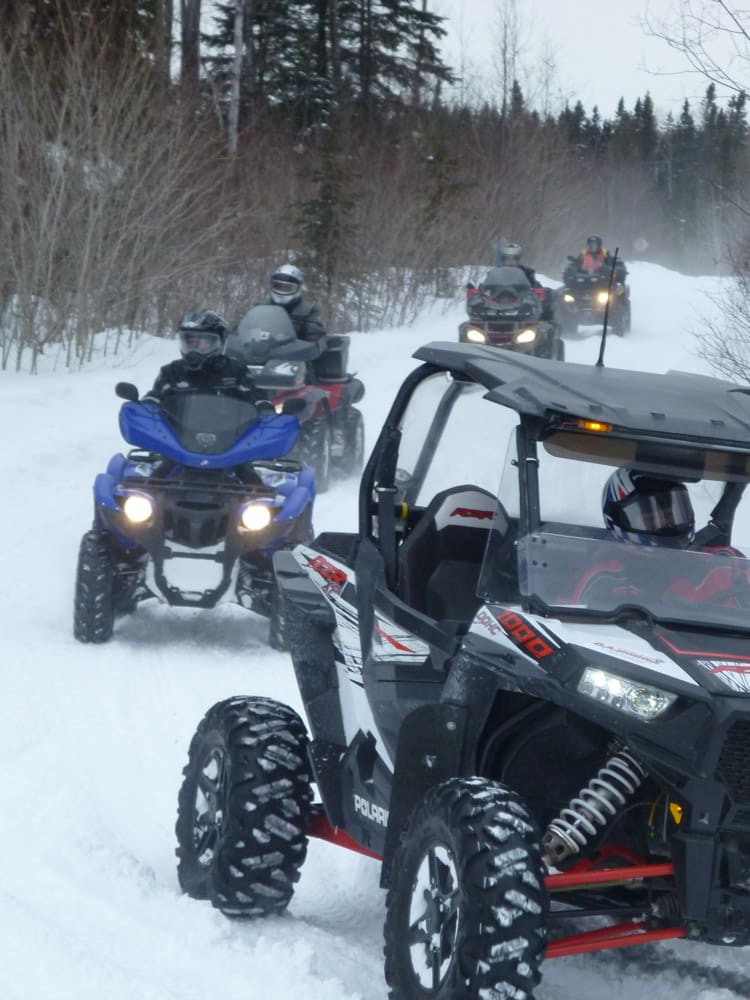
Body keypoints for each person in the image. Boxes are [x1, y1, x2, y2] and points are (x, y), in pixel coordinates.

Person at [567, 469, 750, 607]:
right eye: (649, 518)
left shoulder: (725, 564)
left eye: (674, 514)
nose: (666, 524)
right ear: (618, 520)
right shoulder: (605, 577)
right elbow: (578, 630)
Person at [144, 310, 258, 402]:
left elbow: (257, 398)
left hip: (231, 429)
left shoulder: (237, 371)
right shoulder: (171, 372)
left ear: (220, 343)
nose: (194, 350)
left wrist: (264, 408)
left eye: (201, 344)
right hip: (176, 430)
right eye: (190, 343)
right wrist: (147, 404)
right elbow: (154, 398)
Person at [266, 263, 327, 351]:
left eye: (287, 288)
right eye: (278, 286)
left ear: (298, 289)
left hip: (296, 359)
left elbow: (316, 338)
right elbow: (246, 331)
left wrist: (312, 347)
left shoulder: (308, 311)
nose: (282, 291)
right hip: (263, 358)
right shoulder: (261, 308)